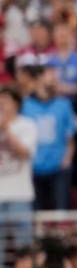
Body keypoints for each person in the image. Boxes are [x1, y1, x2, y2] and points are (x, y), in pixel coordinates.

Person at [22, 58, 75, 211]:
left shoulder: (63, 104)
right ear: (38, 78)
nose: (54, 78)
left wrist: (67, 159)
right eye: (50, 74)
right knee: (36, 214)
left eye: (55, 75)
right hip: (33, 168)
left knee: (61, 212)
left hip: (59, 168)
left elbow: (70, 136)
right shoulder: (25, 104)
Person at [0, 86, 38, 248]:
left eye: (6, 101)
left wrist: (6, 129)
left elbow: (24, 153)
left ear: (16, 104)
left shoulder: (28, 126)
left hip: (20, 194)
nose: (2, 105)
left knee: (24, 247)